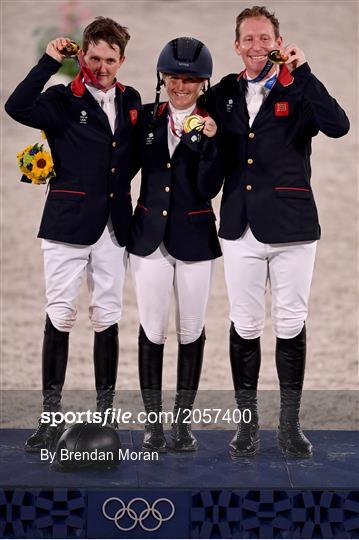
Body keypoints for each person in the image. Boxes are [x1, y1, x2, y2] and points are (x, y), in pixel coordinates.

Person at [204, 6, 350, 458]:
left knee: (290, 322)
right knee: (245, 325)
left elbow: (338, 125)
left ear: (278, 43)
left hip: (291, 225)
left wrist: (303, 71)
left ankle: (289, 426)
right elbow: (210, 160)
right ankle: (247, 426)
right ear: (236, 45)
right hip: (239, 225)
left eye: (264, 38)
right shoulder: (223, 93)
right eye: (248, 39)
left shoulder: (299, 89)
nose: (256, 46)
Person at [5, 17, 141, 452]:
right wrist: (49, 61)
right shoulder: (62, 99)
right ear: (82, 56)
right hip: (66, 223)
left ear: (122, 60)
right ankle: (50, 417)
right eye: (94, 58)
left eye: (110, 60)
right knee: (61, 315)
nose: (101, 67)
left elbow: (135, 153)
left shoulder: (133, 99)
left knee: (107, 316)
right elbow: (17, 106)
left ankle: (106, 415)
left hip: (114, 225)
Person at [127, 37, 222, 452]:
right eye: (173, 78)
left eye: (190, 80)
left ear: (202, 83)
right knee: (151, 328)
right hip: (148, 236)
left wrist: (206, 143)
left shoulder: (213, 123)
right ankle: (153, 424)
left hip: (196, 237)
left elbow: (209, 186)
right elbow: (118, 165)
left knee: (190, 330)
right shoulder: (146, 118)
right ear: (162, 78)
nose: (180, 86)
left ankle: (182, 425)